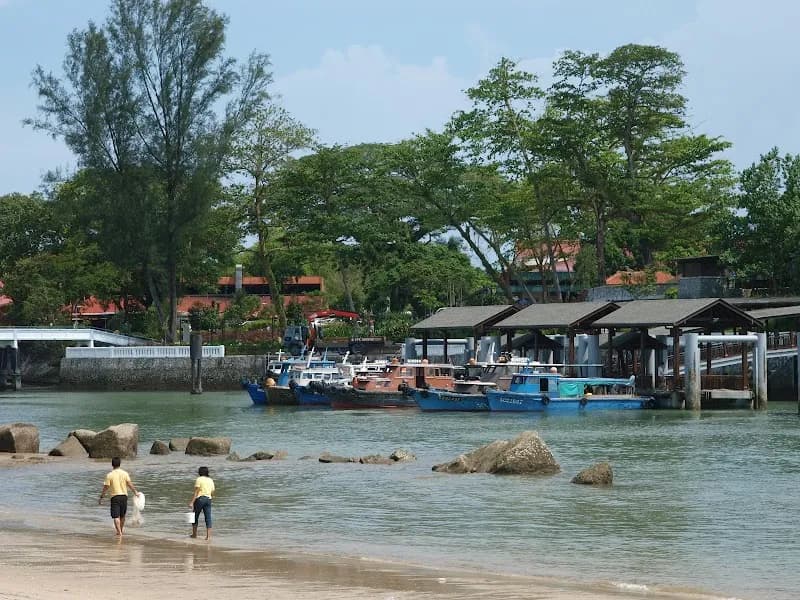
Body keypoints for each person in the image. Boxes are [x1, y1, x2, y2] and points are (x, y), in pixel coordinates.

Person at [98, 457, 140, 537]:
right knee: (122, 516)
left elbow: (106, 487)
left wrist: (101, 497)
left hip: (115, 497)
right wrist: (135, 492)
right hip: (124, 496)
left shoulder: (109, 475)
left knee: (116, 516)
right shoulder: (125, 473)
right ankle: (121, 531)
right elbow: (129, 484)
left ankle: (119, 532)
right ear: (120, 464)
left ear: (112, 464)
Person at [189, 466, 215, 540]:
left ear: (200, 472)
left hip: (200, 499)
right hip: (208, 499)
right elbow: (212, 491)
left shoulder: (199, 479)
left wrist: (191, 502)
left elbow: (196, 492)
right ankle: (208, 537)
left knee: (194, 516)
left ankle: (194, 534)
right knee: (208, 517)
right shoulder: (210, 480)